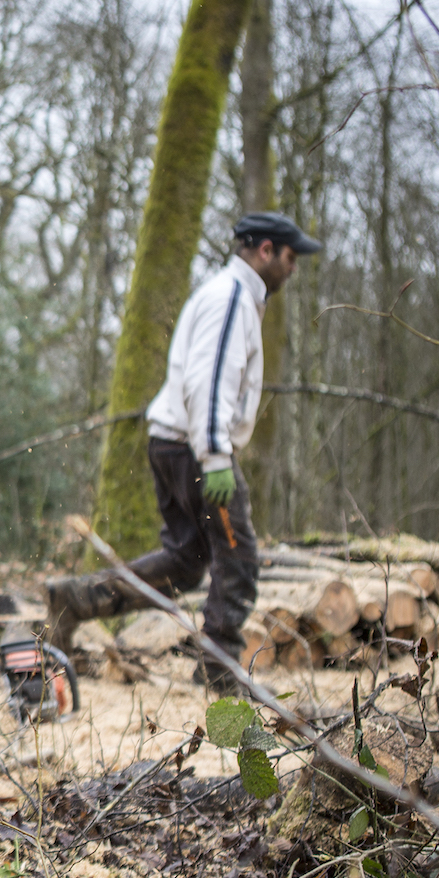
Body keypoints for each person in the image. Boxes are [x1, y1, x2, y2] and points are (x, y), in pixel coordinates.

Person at [46, 212, 322, 691]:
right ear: (265, 251)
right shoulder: (232, 298)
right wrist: (216, 456)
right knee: (238, 561)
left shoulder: (229, 295)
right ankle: (221, 673)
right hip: (197, 449)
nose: (293, 268)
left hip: (176, 443)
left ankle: (75, 600)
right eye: (290, 257)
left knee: (186, 561)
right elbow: (208, 380)